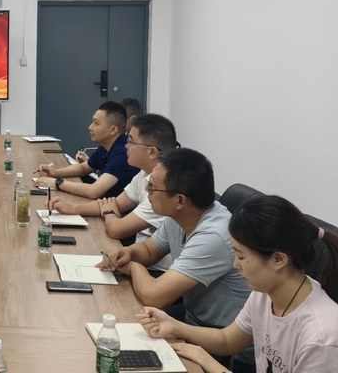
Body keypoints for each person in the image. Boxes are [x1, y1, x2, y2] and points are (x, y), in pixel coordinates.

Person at [137, 195, 338, 373]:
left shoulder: (322, 337)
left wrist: (210, 363)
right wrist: (173, 326)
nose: (236, 265)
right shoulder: (266, 293)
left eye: (241, 257)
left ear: (278, 259)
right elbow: (227, 339)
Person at [100, 148, 253, 369]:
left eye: (153, 187)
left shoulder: (214, 236)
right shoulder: (181, 215)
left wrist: (133, 267)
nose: (147, 191)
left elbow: (154, 296)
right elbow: (149, 251)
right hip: (194, 318)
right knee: (116, 325)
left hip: (225, 346)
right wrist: (129, 253)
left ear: (180, 200)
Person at [47, 114, 177, 271]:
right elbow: (116, 203)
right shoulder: (144, 174)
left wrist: (108, 211)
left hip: (155, 271)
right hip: (137, 259)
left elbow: (117, 229)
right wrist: (73, 208)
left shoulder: (164, 189)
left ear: (151, 152)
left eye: (131, 141)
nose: (126, 146)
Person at [34, 101, 139, 199]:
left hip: (118, 210)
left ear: (113, 130)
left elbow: (94, 191)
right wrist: (55, 172)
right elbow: (84, 168)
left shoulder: (123, 153)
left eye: (96, 123)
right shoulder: (106, 146)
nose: (90, 127)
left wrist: (57, 183)